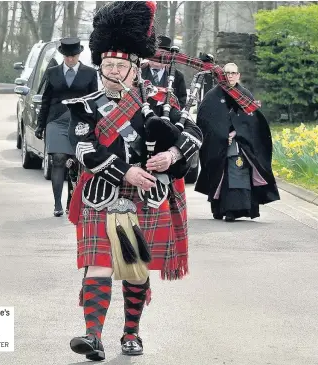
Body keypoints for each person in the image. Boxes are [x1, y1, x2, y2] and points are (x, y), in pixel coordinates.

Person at [63, 1, 203, 361]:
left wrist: (171, 156)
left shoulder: (162, 102)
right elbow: (84, 150)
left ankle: (131, 334)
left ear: (135, 68)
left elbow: (194, 135)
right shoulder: (87, 106)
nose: (111, 72)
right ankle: (92, 335)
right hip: (102, 194)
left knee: (134, 269)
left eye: (119, 66)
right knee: (99, 263)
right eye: (106, 65)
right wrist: (124, 170)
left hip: (147, 196)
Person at [195, 62, 280, 222]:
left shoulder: (245, 94)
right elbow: (206, 120)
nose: (230, 76)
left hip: (242, 146)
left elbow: (252, 122)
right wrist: (222, 134)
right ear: (222, 75)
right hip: (218, 146)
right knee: (220, 175)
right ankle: (220, 209)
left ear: (238, 75)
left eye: (233, 73)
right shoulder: (212, 96)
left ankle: (238, 209)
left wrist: (236, 132)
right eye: (227, 73)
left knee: (239, 173)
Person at [35, 37, 98, 217]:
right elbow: (46, 100)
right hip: (56, 121)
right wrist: (40, 125)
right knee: (59, 158)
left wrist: (95, 125)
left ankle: (72, 201)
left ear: (79, 55)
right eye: (67, 56)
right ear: (63, 55)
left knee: (75, 162)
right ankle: (57, 204)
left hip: (79, 122)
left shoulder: (90, 74)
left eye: (74, 56)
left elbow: (94, 102)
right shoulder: (53, 72)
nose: (70, 59)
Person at [141, 35, 187, 108]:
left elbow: (181, 99)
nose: (157, 56)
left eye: (162, 53)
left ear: (168, 57)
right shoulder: (137, 72)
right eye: (155, 52)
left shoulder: (177, 76)